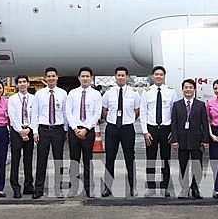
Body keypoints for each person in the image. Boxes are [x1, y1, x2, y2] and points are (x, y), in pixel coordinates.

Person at [101, 66, 141, 197]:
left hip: (127, 128)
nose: (121, 77)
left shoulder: (133, 93)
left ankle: (132, 186)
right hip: (112, 127)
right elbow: (105, 110)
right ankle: (107, 187)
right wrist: (111, 120)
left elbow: (137, 111)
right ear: (115, 77)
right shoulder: (108, 93)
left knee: (130, 158)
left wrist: (127, 120)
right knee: (109, 158)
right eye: (118, 75)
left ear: (127, 77)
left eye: (123, 75)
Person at [140, 65, 177, 197]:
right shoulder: (146, 91)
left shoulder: (171, 92)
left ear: (164, 76)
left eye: (161, 74)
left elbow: (174, 113)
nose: (159, 76)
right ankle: (150, 186)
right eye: (156, 74)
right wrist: (145, 132)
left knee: (165, 159)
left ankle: (165, 186)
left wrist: (173, 131)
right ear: (153, 76)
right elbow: (143, 113)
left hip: (166, 130)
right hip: (151, 129)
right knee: (151, 158)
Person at [65, 66, 102, 198]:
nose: (85, 78)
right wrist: (75, 128)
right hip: (74, 131)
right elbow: (68, 112)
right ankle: (73, 188)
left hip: (88, 131)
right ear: (79, 78)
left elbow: (97, 113)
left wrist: (86, 129)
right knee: (74, 160)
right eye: (83, 76)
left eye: (87, 76)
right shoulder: (72, 93)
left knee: (88, 160)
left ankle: (89, 188)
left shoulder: (96, 94)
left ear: (91, 78)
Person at [33, 67, 68, 199]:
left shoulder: (63, 93)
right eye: (49, 76)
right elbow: (35, 113)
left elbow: (65, 112)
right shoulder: (39, 94)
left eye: (53, 76)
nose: (51, 78)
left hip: (58, 129)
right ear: (45, 78)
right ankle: (39, 189)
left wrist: (65, 129)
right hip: (43, 129)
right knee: (41, 160)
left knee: (58, 160)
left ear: (57, 77)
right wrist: (35, 131)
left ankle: (58, 188)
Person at [171, 79, 209, 199]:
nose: (188, 89)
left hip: (196, 141)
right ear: (182, 89)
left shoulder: (201, 105)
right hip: (182, 141)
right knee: (183, 166)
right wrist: (175, 140)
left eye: (190, 87)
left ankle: (195, 188)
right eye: (186, 87)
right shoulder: (177, 105)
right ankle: (184, 188)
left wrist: (205, 140)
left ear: (194, 89)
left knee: (197, 166)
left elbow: (205, 123)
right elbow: (174, 124)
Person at [7, 75, 38, 198]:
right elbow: (12, 116)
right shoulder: (12, 99)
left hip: (29, 129)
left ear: (28, 84)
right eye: (19, 82)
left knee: (28, 159)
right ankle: (15, 187)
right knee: (15, 160)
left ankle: (28, 185)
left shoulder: (33, 98)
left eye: (24, 82)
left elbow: (35, 115)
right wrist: (20, 131)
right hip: (16, 131)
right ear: (16, 85)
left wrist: (30, 129)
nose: (22, 84)